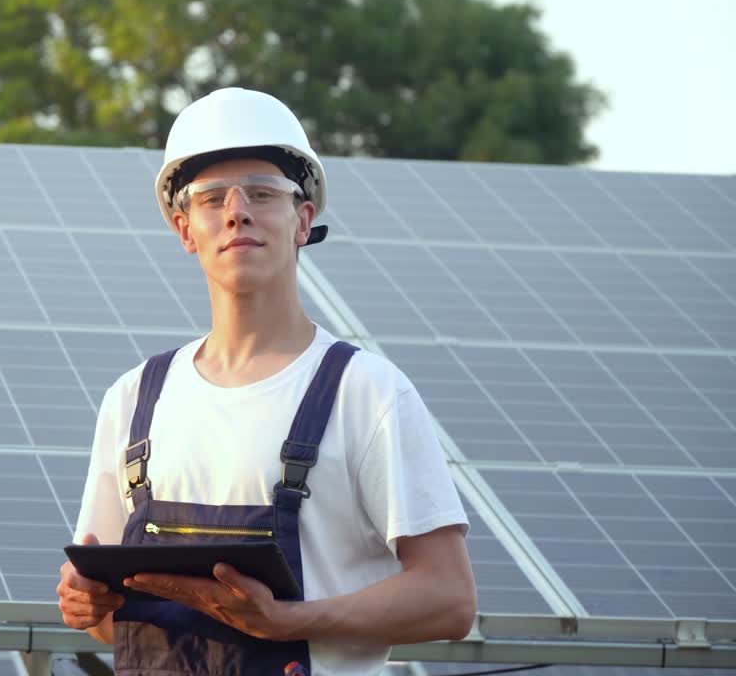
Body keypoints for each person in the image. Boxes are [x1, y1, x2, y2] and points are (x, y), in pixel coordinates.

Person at [56, 87, 476, 676]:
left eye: (262, 194)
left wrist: (288, 622)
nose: (237, 212)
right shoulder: (133, 400)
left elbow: (450, 600)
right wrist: (85, 604)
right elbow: (111, 623)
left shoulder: (367, 393)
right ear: (185, 229)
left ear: (303, 220)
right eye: (210, 200)